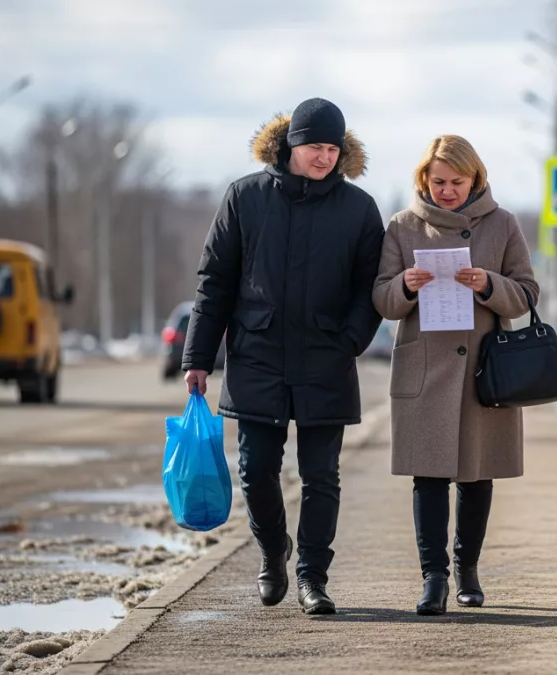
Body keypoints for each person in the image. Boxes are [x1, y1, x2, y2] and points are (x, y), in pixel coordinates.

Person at [182, 98, 385, 616]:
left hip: (326, 357)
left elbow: (370, 288)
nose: (323, 157)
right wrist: (198, 356)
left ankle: (312, 577)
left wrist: (351, 340)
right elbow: (215, 283)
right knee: (256, 470)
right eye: (315, 146)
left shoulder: (359, 209)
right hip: (258, 354)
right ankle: (275, 553)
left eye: (332, 148)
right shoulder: (244, 198)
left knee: (322, 476)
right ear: (291, 144)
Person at [372, 135, 539, 616]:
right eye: (438, 181)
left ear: (475, 179)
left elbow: (527, 292)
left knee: (476, 474)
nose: (447, 190)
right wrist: (403, 286)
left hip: (481, 369)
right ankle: (433, 578)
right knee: (427, 476)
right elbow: (381, 300)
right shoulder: (403, 227)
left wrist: (489, 284)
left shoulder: (503, 223)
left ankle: (467, 571)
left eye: (456, 182)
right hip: (426, 367)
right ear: (424, 179)